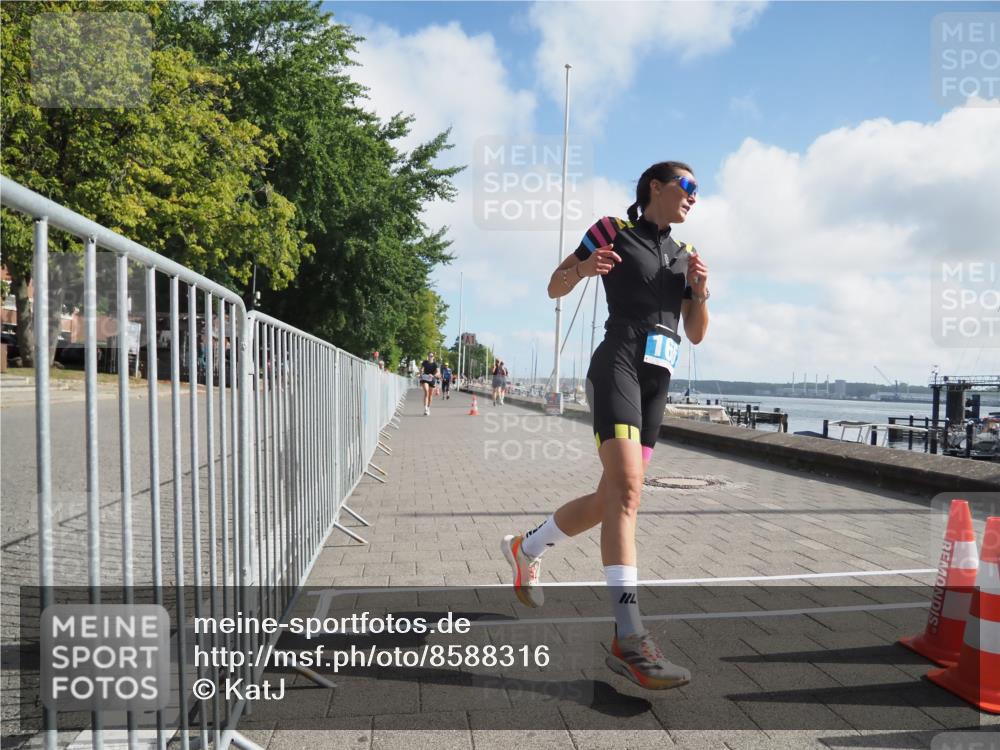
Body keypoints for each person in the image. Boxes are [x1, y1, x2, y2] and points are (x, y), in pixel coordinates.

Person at [501, 161, 710, 690]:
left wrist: (701, 292)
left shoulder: (686, 256)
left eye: (699, 191)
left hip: (657, 381)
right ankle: (629, 634)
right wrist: (585, 267)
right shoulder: (612, 230)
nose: (694, 197)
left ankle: (525, 548)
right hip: (616, 363)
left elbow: (697, 333)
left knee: (613, 497)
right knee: (628, 493)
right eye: (687, 187)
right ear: (655, 188)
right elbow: (555, 285)